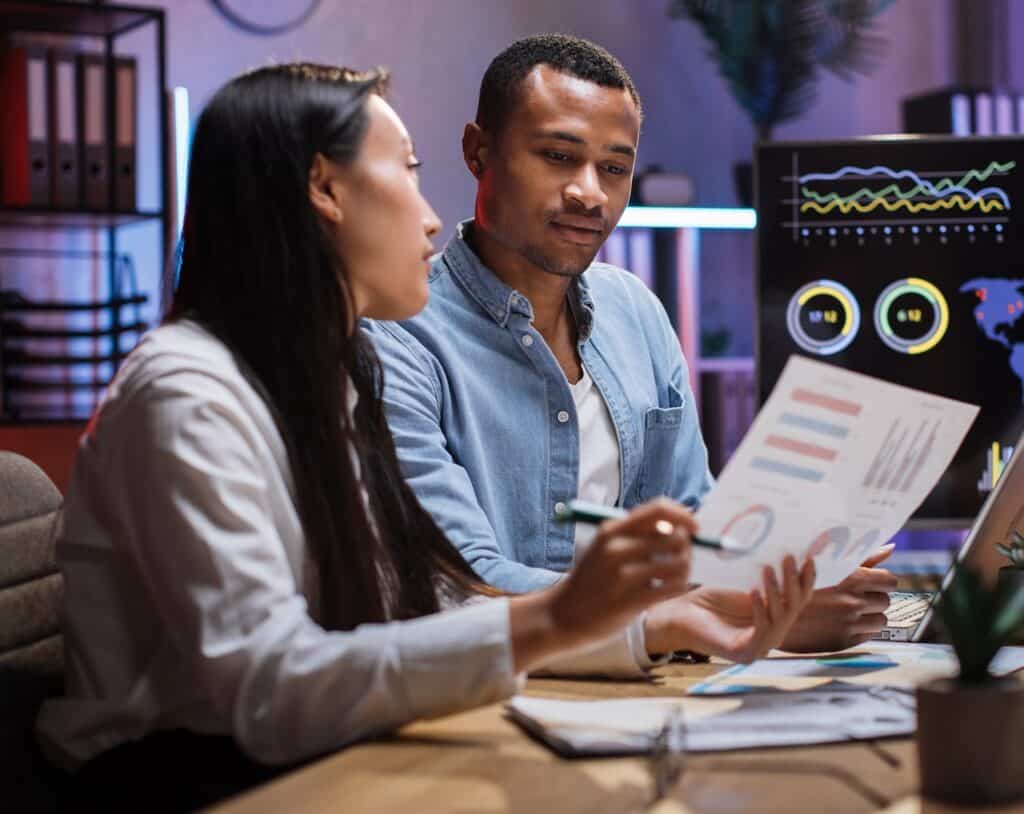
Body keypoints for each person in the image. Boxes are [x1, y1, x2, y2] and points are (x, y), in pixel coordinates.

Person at [34, 64, 814, 812]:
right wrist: (555, 617)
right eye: (406, 171)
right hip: (181, 777)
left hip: (309, 752)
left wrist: (653, 625)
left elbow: (422, 604)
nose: (434, 216)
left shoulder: (325, 381)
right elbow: (267, 690)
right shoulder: (188, 395)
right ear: (325, 189)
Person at [363, 34, 896, 654]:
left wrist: (786, 587)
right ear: (478, 151)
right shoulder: (396, 329)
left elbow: (699, 528)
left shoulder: (635, 311)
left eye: (614, 168)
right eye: (559, 157)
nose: (590, 192)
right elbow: (460, 580)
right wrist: (713, 608)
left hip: (660, 680)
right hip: (490, 698)